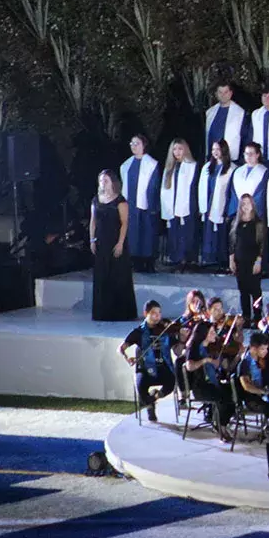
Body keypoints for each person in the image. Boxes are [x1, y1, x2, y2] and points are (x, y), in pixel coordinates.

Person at [119, 301, 178, 422]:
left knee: (171, 382)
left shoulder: (165, 329)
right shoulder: (138, 332)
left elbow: (178, 342)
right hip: (145, 369)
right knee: (141, 387)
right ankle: (150, 406)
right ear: (146, 313)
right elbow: (121, 347)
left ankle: (152, 398)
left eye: (159, 313)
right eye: (154, 313)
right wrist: (127, 357)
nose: (158, 317)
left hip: (162, 367)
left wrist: (182, 334)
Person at [90, 169, 136, 321]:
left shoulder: (120, 201)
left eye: (106, 180)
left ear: (112, 182)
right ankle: (103, 312)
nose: (103, 183)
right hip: (101, 241)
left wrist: (120, 243)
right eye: (101, 180)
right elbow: (93, 222)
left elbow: (124, 223)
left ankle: (120, 312)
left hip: (115, 240)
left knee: (117, 275)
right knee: (102, 275)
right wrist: (92, 239)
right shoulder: (96, 199)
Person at [119, 134, 161, 272]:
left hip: (146, 205)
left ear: (144, 145)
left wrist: (152, 205)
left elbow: (154, 186)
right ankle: (134, 260)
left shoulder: (152, 164)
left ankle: (148, 261)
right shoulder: (126, 164)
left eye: (137, 143)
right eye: (132, 144)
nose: (134, 146)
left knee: (147, 232)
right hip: (130, 204)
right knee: (133, 233)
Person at [160, 139, 200, 269]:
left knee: (186, 233)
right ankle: (175, 258)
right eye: (175, 149)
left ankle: (187, 259)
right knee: (174, 233)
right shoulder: (169, 168)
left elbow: (193, 188)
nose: (177, 152)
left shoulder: (192, 165)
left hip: (186, 205)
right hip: (171, 206)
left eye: (180, 149)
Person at [197, 139, 235, 268]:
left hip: (222, 205)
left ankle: (222, 262)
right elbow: (202, 187)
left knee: (222, 235)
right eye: (213, 149)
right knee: (209, 234)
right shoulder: (207, 167)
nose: (215, 152)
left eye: (218, 149)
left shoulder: (231, 168)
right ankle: (209, 260)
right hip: (209, 205)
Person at [229, 193, 266, 323]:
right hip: (240, 261)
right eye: (243, 204)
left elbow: (262, 243)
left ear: (252, 205)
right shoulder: (236, 221)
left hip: (253, 261)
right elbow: (232, 241)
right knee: (243, 291)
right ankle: (246, 317)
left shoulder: (258, 223)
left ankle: (257, 318)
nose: (245, 206)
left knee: (255, 291)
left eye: (248, 203)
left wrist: (259, 260)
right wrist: (231, 259)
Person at [204, 82, 248, 160]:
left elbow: (244, 138)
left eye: (226, 92)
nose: (223, 95)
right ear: (216, 94)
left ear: (231, 93)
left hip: (231, 158)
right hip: (212, 158)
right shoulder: (210, 112)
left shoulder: (240, 113)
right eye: (220, 92)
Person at [228, 142, 269, 219]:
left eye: (251, 154)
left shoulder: (263, 171)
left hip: (254, 214)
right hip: (238, 212)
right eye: (246, 154)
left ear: (257, 155)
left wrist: (249, 208)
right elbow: (232, 193)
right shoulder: (237, 171)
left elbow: (261, 195)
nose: (248, 156)